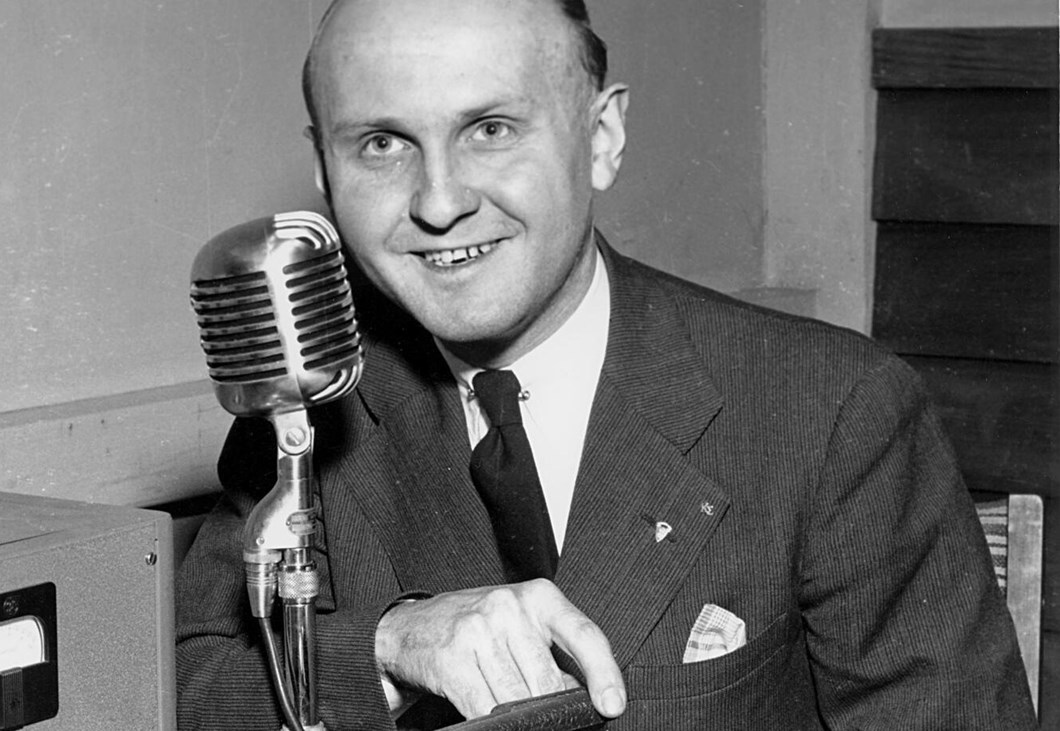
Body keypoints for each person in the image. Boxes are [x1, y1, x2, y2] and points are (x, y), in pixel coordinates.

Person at [174, 0, 1039, 728]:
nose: (439, 201)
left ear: (602, 135)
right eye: (382, 145)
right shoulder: (311, 401)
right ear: (324, 168)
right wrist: (389, 646)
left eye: (491, 128)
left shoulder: (831, 407)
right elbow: (190, 685)